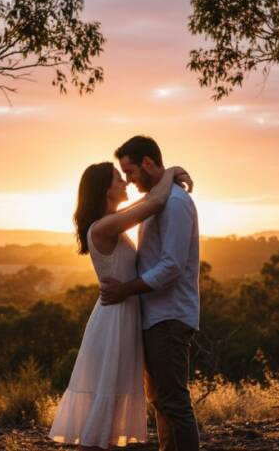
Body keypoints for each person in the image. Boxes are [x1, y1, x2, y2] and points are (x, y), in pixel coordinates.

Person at [48, 154, 193, 450]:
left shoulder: (111, 222)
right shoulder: (103, 227)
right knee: (106, 396)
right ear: (105, 189)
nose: (125, 181)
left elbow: (145, 204)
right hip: (114, 319)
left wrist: (165, 177)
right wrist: (173, 171)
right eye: (118, 178)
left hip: (124, 314)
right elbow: (153, 204)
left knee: (113, 398)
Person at [100, 135, 201, 451]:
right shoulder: (158, 200)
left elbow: (171, 266)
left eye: (129, 172)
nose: (129, 180)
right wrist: (171, 171)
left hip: (169, 316)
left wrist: (126, 290)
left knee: (173, 401)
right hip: (155, 317)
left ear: (146, 163)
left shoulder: (175, 203)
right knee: (161, 401)